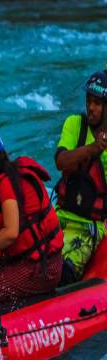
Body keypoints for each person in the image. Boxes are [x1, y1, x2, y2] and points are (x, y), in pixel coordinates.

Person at [0, 128, 63, 309]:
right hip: (24, 262)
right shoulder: (2, 180)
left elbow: (11, 233)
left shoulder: (6, 184)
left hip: (42, 269)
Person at [54, 70, 107, 284]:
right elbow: (61, 161)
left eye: (97, 102)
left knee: (62, 274)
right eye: (89, 101)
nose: (91, 107)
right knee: (30, 260)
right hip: (59, 215)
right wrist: (93, 148)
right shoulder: (75, 124)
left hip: (87, 227)